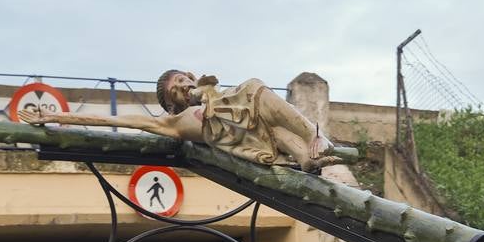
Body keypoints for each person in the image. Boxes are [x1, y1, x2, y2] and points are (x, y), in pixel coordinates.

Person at [20, 70, 342, 172]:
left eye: (181, 80)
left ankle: (310, 147)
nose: (182, 87)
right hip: (243, 138)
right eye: (175, 90)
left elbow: (213, 92)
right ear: (170, 103)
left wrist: (204, 89)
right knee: (256, 93)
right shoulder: (171, 124)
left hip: (250, 119)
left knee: (255, 93)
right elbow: (113, 119)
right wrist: (57, 116)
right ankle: (311, 147)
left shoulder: (212, 93)